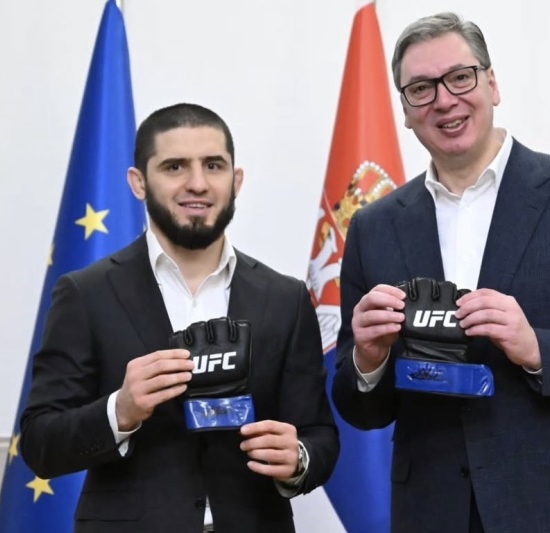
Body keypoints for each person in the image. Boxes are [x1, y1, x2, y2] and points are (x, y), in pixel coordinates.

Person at [331, 12, 550, 533]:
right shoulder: (373, 227)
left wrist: (538, 348)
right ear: (404, 110)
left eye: (460, 77)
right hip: (436, 512)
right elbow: (361, 410)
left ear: (492, 84)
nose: (444, 100)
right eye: (421, 88)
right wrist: (369, 360)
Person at [20, 103, 339, 533]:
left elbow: (319, 434)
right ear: (139, 182)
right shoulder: (85, 294)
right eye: (175, 166)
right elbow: (40, 442)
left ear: (236, 180)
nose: (198, 183)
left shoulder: (285, 298)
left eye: (213, 165)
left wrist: (297, 458)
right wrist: (120, 410)